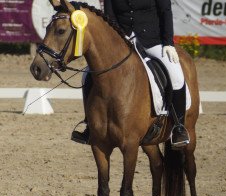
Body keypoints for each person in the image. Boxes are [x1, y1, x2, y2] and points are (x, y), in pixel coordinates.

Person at [71, 0, 190, 148]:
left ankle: (178, 127)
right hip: (122, 41)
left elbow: (165, 12)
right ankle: (89, 125)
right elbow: (110, 16)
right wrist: (118, 38)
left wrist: (168, 43)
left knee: (176, 75)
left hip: (152, 40)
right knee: (88, 74)